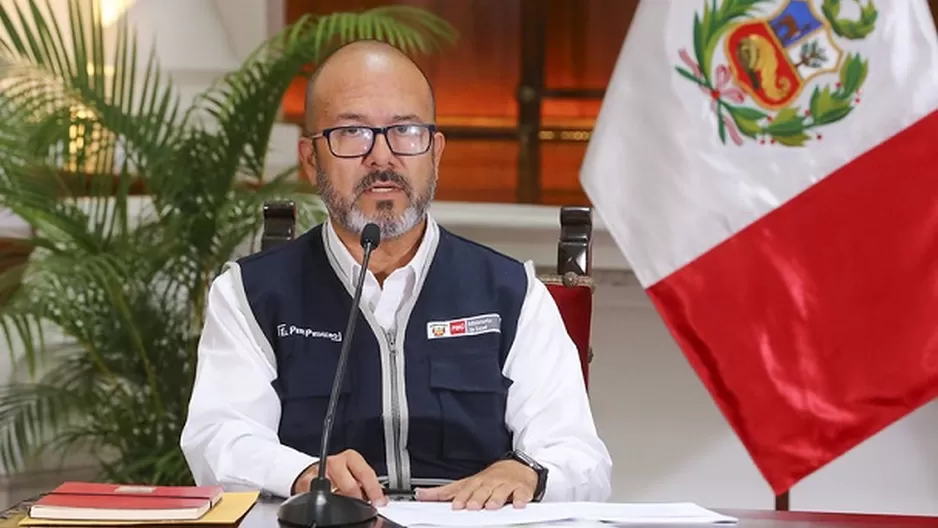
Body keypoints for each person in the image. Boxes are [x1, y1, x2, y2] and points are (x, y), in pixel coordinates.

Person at [179, 40, 612, 511]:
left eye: (406, 130)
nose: (382, 157)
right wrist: (302, 472)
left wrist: (527, 470)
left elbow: (580, 457)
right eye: (352, 132)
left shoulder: (510, 293)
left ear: (436, 151)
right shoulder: (250, 294)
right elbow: (218, 438)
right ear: (310, 159)